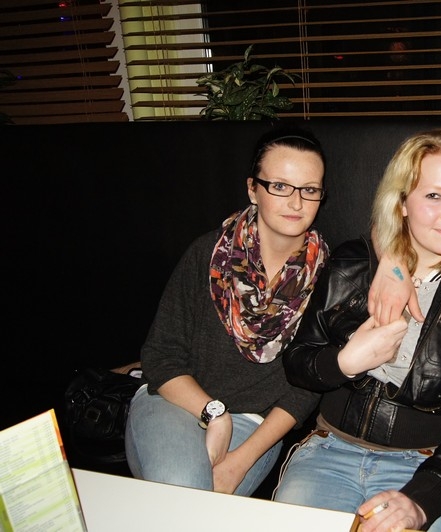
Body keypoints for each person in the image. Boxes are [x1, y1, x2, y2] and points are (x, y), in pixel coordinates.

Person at [273, 128, 441, 532]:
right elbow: (296, 362)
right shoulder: (352, 263)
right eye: (433, 195)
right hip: (329, 452)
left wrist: (422, 500)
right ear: (402, 203)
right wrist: (344, 363)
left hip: (423, 465)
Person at [124, 125, 330, 496]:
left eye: (309, 190)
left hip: (255, 425)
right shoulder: (208, 255)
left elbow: (307, 388)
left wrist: (241, 460)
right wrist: (214, 414)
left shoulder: (331, 278)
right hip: (176, 401)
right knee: (183, 488)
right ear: (253, 189)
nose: (296, 203)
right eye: (280, 186)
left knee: (203, 503)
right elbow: (161, 357)